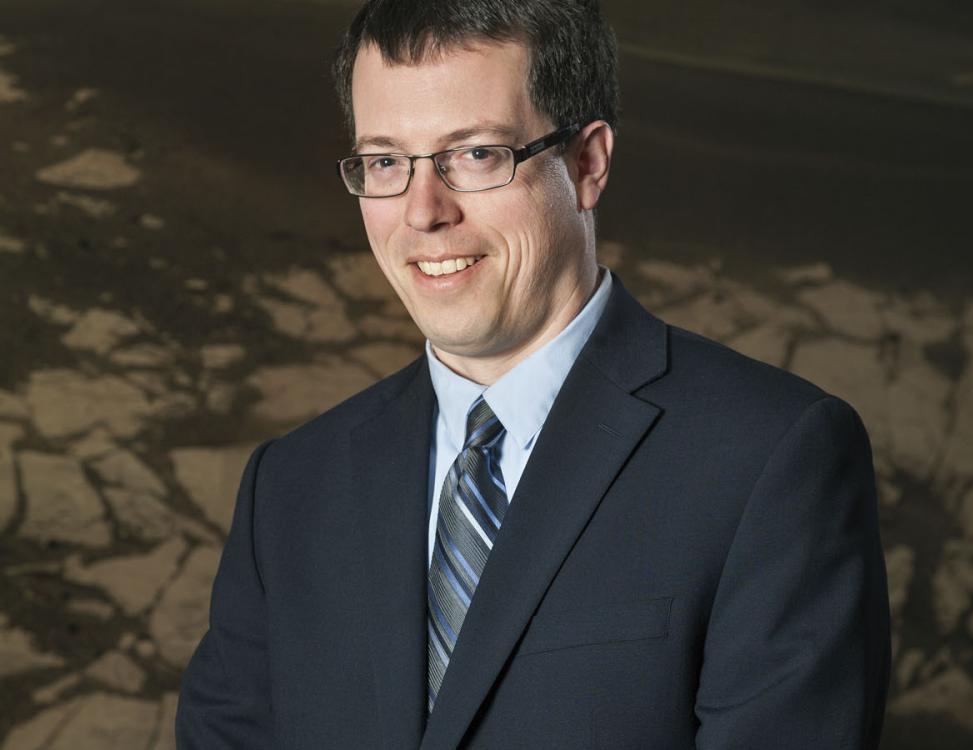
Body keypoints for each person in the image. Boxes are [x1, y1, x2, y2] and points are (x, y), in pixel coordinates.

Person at [176, 1, 891, 747]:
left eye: (475, 154)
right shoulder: (290, 487)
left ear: (587, 164)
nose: (423, 213)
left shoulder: (770, 456)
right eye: (387, 161)